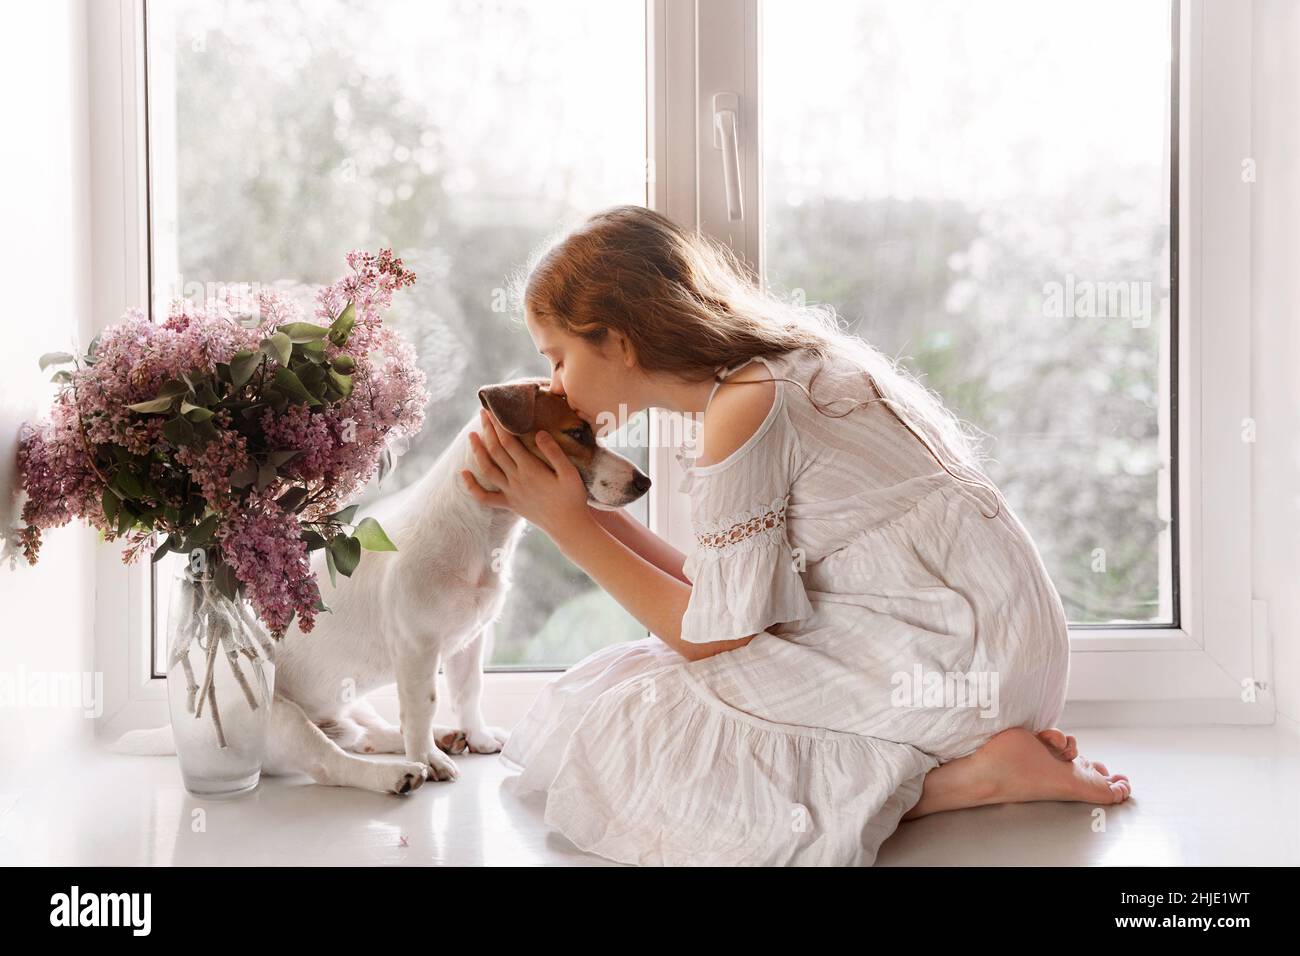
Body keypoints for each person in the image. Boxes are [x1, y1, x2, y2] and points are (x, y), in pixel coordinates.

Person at [461, 204, 1131, 866]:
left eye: (556, 358)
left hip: (954, 660)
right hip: (993, 643)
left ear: (618, 339)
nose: (555, 384)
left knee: (627, 738)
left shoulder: (747, 403)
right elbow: (720, 597)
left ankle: (965, 778)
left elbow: (714, 637)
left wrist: (565, 523)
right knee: (620, 694)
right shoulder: (781, 366)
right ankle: (979, 758)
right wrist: (590, 509)